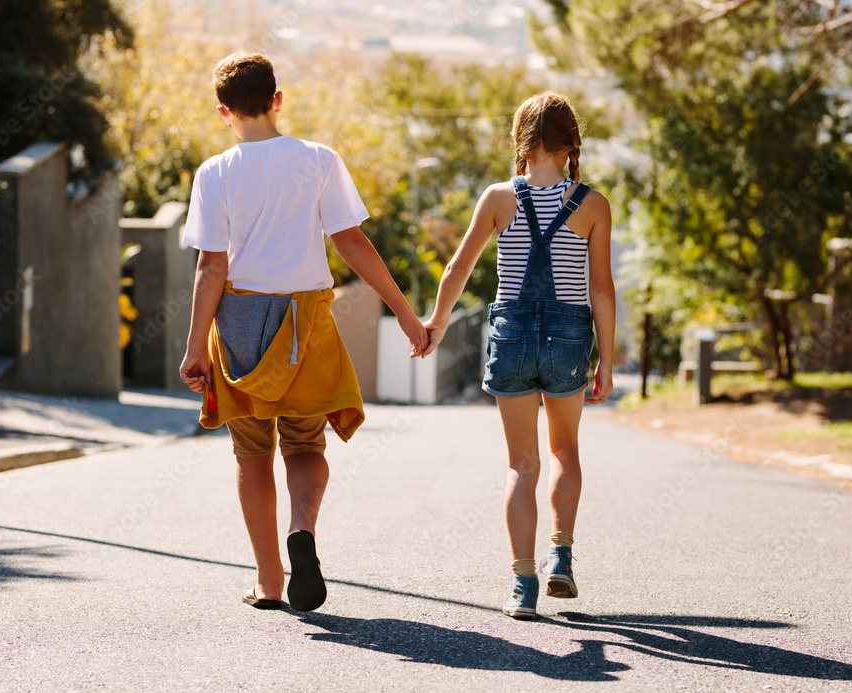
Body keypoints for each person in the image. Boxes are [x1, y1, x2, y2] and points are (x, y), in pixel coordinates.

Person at [179, 51, 427, 613]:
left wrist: (195, 349)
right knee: (305, 443)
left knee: (251, 455)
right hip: (305, 320)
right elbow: (352, 244)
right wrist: (407, 316)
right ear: (278, 99)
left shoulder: (214, 173)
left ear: (224, 112)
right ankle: (303, 534)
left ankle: (268, 582)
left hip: (240, 323)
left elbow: (211, 267)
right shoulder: (318, 160)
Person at [422, 91, 615, 619]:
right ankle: (562, 557)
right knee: (565, 452)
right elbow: (602, 290)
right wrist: (609, 362)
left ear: (520, 141)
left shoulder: (498, 198)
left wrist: (435, 325)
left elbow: (457, 269)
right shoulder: (594, 205)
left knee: (520, 464)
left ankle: (522, 588)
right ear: (573, 143)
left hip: (511, 334)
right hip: (569, 337)